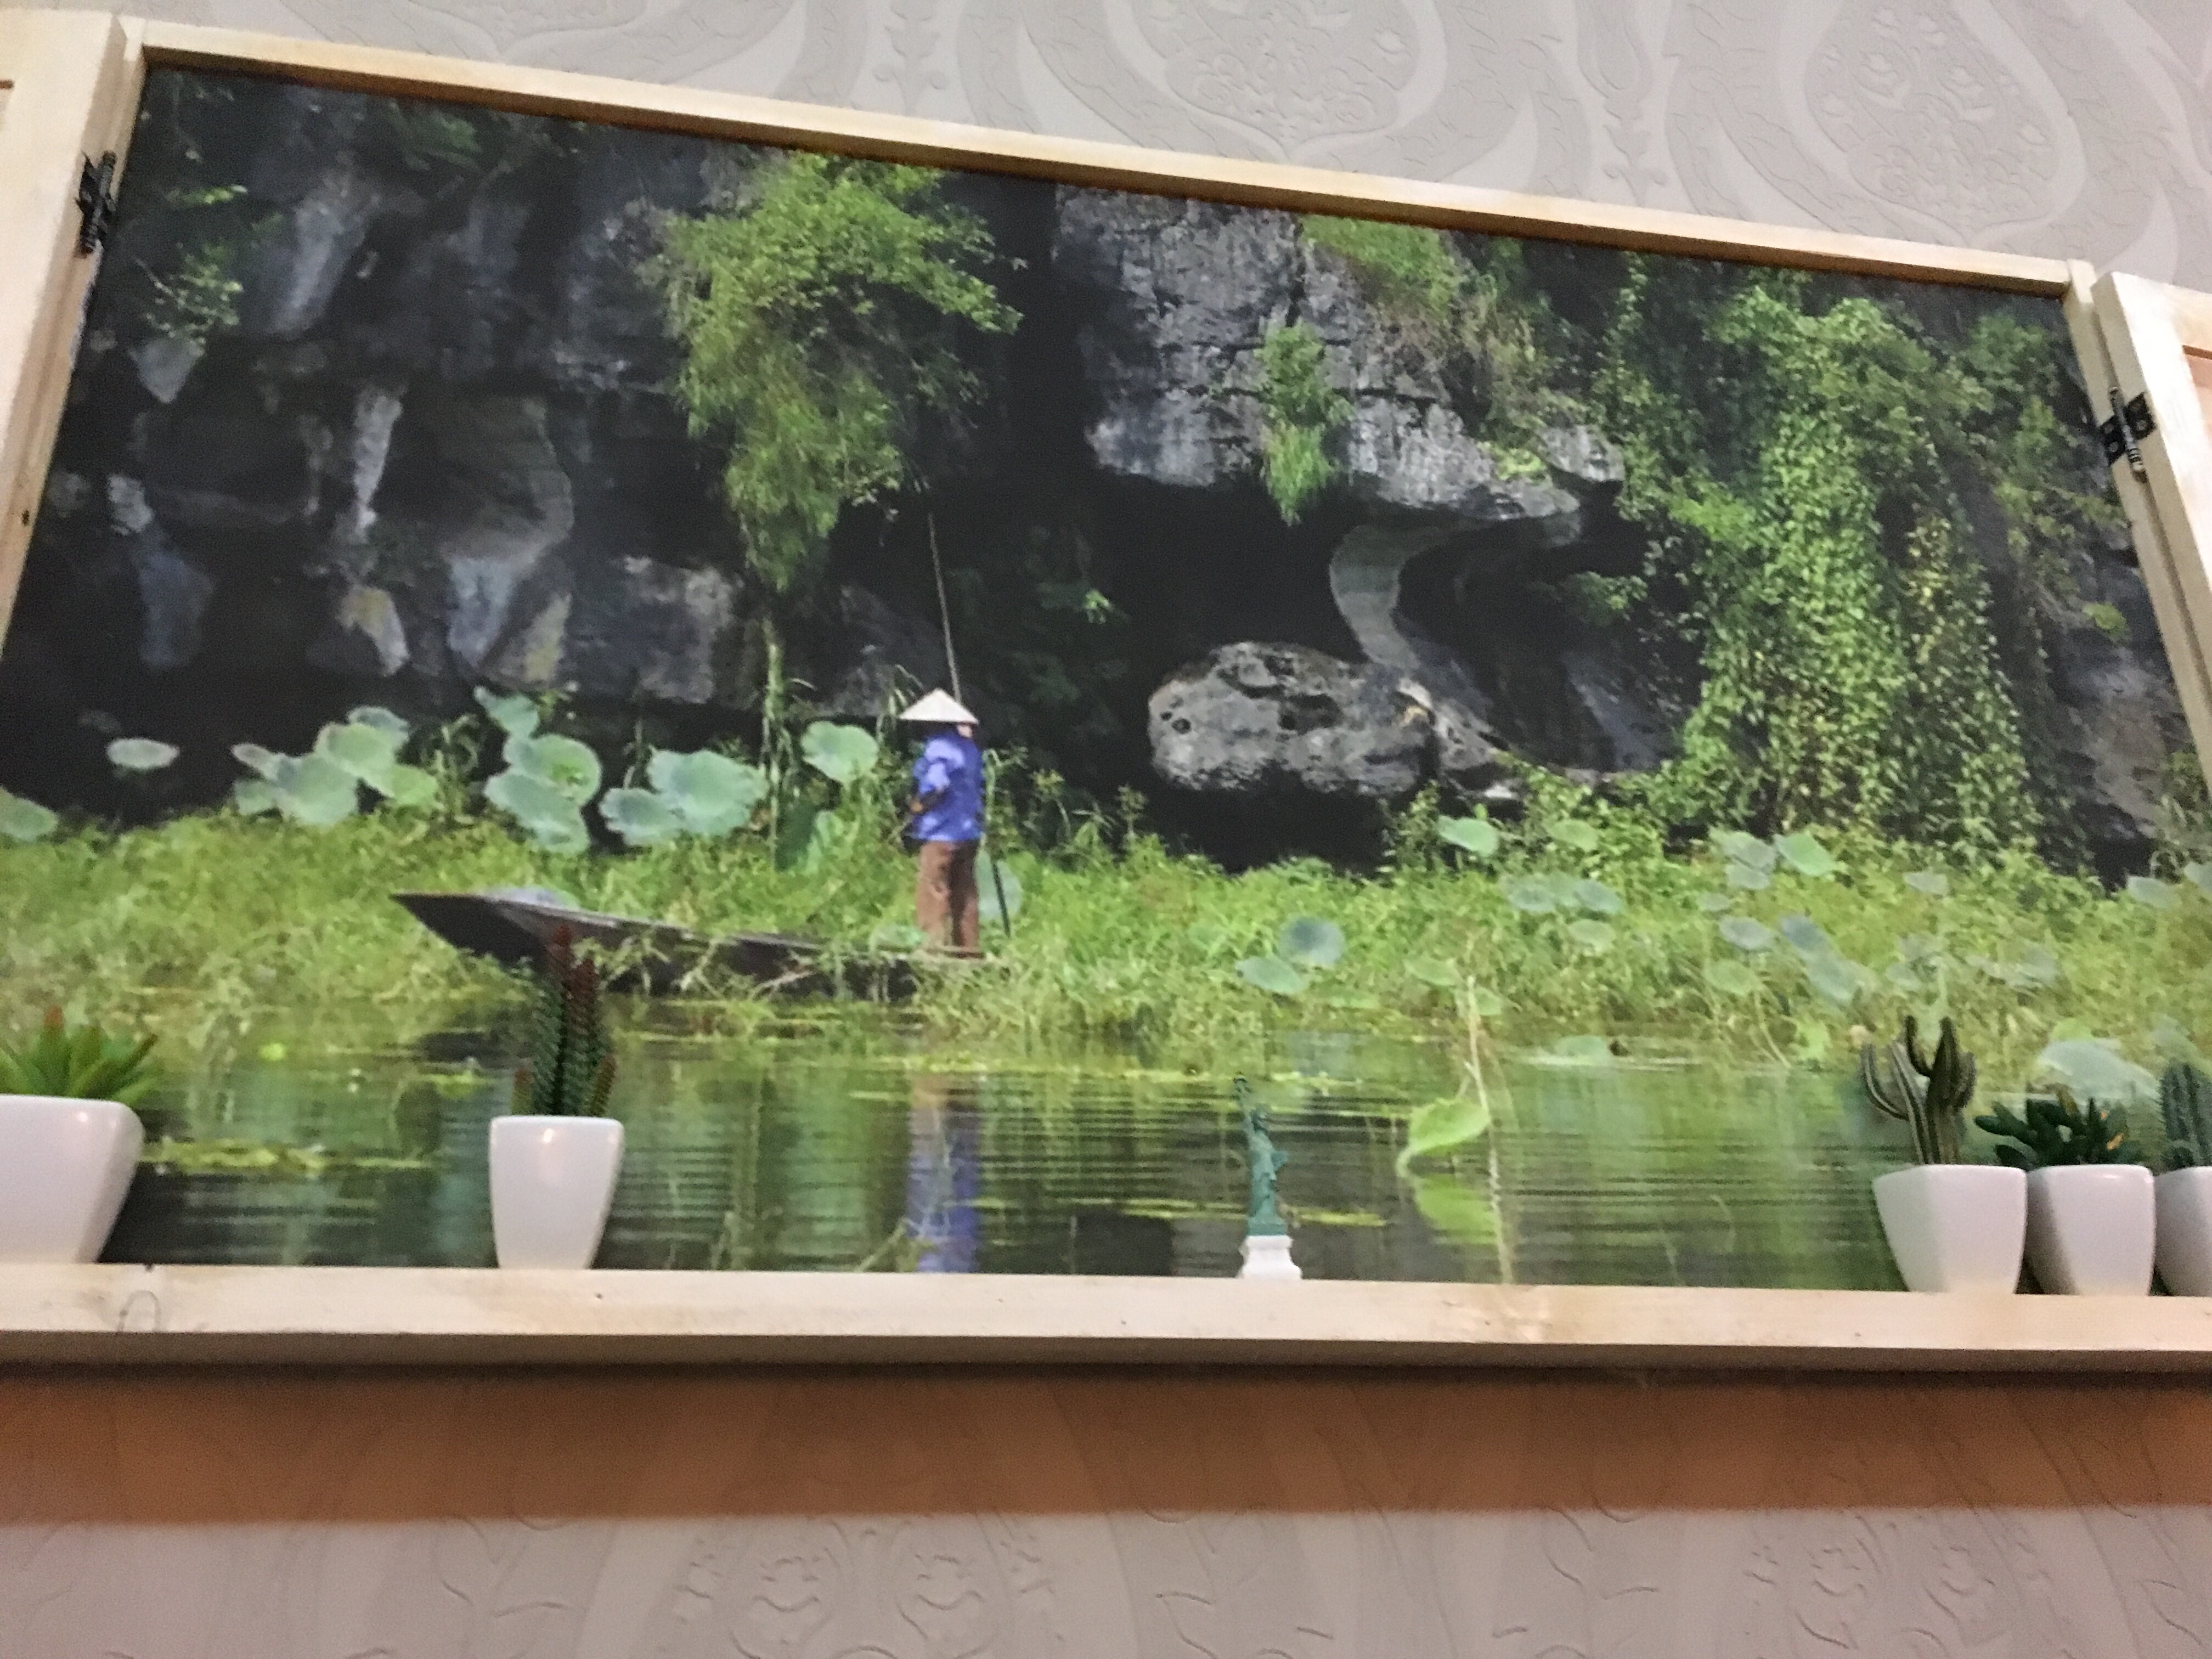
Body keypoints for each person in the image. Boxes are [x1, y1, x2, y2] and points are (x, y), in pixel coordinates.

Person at [900, 689, 983, 950]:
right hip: (968, 832)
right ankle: (968, 950)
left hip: (941, 834)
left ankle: (932, 951)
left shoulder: (938, 748)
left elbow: (936, 785)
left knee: (934, 892)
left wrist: (918, 807)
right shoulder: (970, 749)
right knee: (964, 894)